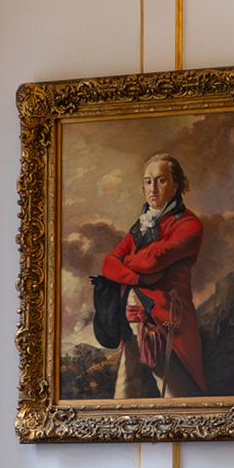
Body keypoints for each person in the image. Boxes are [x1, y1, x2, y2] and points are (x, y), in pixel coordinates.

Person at [92, 152, 210, 398]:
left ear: (176, 185)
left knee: (176, 395)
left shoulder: (188, 224)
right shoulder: (141, 225)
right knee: (126, 394)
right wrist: (137, 279)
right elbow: (108, 264)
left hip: (166, 321)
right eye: (147, 181)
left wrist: (127, 263)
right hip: (131, 319)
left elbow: (152, 260)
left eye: (161, 180)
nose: (152, 189)